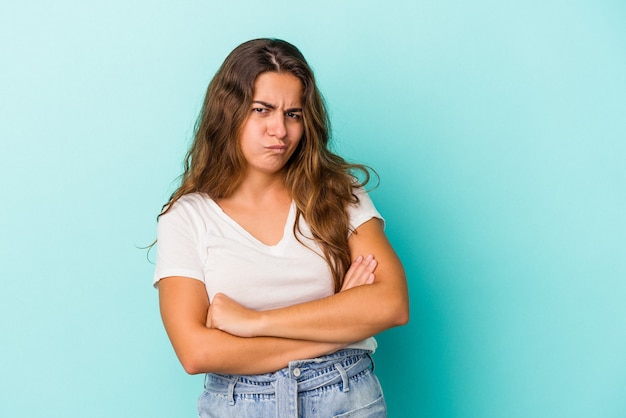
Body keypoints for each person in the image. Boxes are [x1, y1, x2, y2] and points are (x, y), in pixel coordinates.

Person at [153, 38, 409, 417]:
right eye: (262, 110)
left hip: (344, 396)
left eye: (293, 114)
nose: (280, 130)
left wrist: (252, 323)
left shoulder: (337, 193)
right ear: (230, 112)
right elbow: (197, 352)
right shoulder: (187, 218)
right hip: (239, 404)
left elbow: (392, 304)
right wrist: (340, 325)